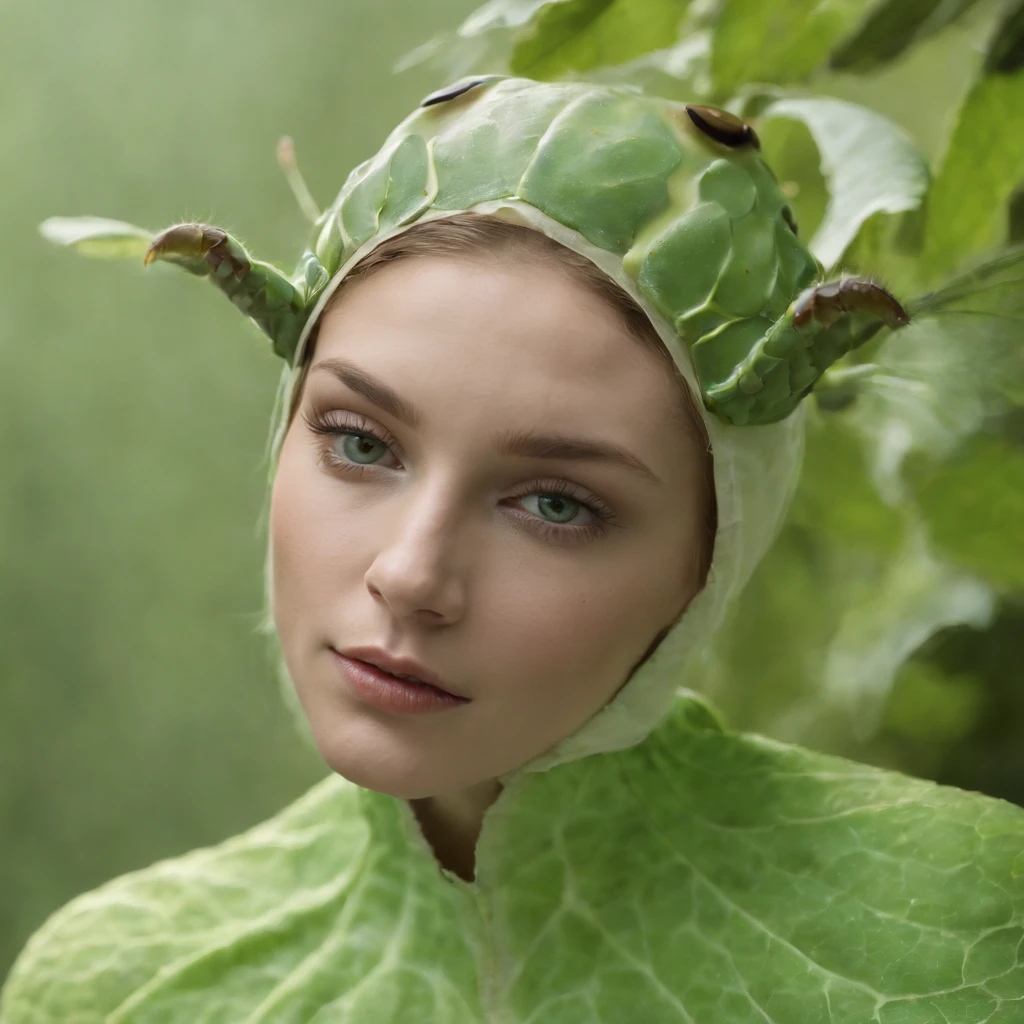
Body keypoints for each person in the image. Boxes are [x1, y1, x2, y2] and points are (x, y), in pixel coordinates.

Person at [5, 75, 1022, 1023]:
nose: (408, 576)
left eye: (556, 504)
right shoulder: (120, 987)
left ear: (712, 555)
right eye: (359, 442)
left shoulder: (969, 931)